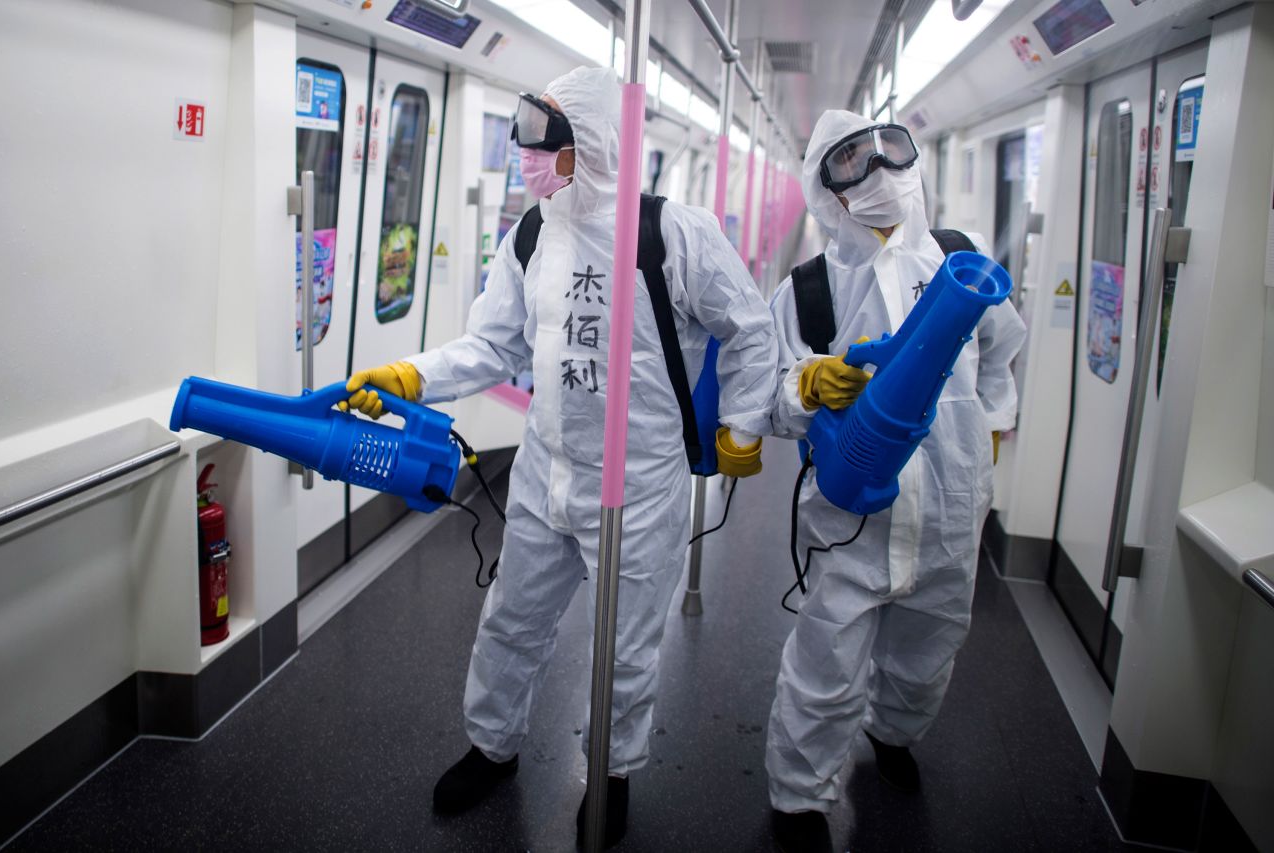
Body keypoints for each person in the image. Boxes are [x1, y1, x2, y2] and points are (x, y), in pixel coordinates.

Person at [341, 66, 778, 848]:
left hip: (639, 481)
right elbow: (494, 341)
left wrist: (743, 421)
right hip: (548, 470)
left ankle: (608, 773)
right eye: (522, 138)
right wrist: (415, 376)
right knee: (512, 617)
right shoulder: (532, 234)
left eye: (542, 141)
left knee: (625, 645)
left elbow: (747, 328)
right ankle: (493, 744)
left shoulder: (673, 232)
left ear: (592, 142)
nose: (526, 157)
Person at [763, 110, 1026, 853]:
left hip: (948, 509)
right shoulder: (809, 290)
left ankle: (895, 733)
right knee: (826, 662)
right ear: (827, 190)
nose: (878, 170)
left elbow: (1004, 349)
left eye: (889, 149)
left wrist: (990, 427)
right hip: (852, 517)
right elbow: (771, 396)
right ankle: (798, 797)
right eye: (850, 160)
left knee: (930, 647)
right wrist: (809, 384)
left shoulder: (957, 260)